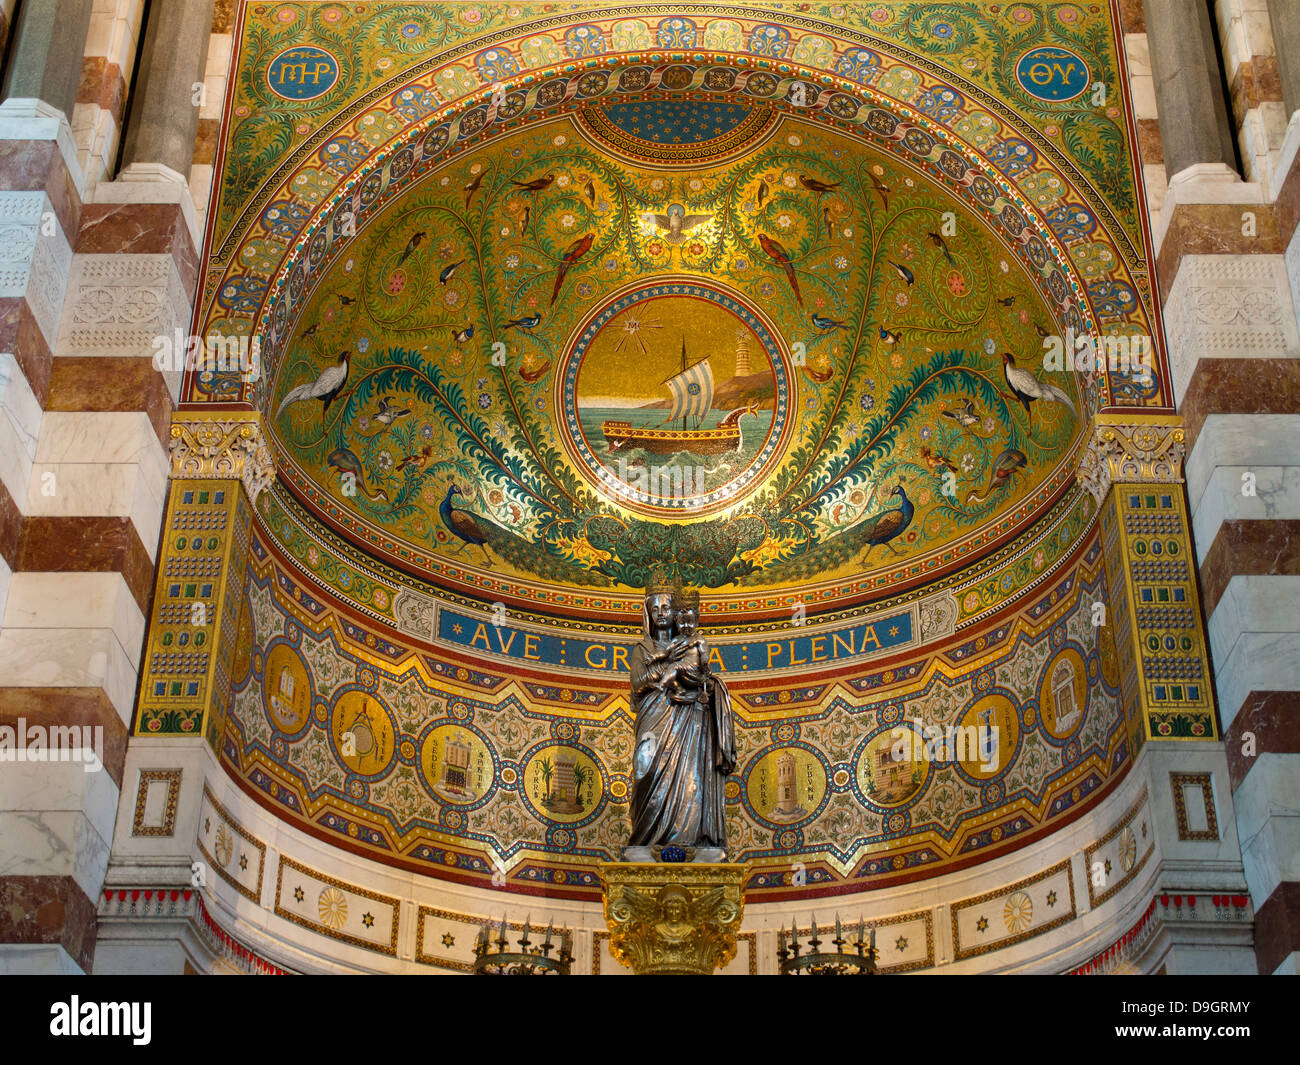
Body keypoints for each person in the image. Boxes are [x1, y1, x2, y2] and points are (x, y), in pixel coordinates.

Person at [625, 581, 736, 861]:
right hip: (653, 717)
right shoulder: (642, 649)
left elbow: (702, 676)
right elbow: (638, 682)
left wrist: (706, 686)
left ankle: (687, 837)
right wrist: (665, 659)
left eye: (666, 607)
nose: (661, 613)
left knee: (691, 777)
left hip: (688, 719)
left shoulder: (690, 645)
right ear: (648, 614)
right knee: (646, 770)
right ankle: (646, 837)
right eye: (655, 608)